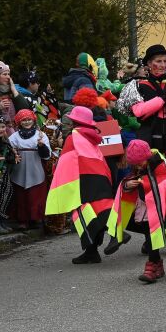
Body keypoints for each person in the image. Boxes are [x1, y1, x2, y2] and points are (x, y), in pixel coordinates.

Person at [45, 106, 115, 264]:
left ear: (74, 121)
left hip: (83, 178)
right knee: (98, 209)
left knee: (84, 213)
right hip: (99, 175)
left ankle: (110, 237)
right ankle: (94, 249)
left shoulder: (74, 136)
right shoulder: (91, 136)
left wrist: (59, 179)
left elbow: (66, 161)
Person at [107, 139, 166, 284]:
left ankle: (151, 266)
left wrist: (145, 183)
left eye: (139, 163)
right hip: (142, 207)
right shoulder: (140, 167)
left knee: (150, 236)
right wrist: (128, 184)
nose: (137, 166)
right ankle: (158, 264)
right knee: (145, 232)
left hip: (156, 208)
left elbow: (164, 182)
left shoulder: (159, 163)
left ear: (147, 157)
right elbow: (128, 179)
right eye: (134, 164)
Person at [116, 44, 166, 157]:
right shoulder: (139, 84)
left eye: (165, 61)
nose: (163, 65)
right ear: (149, 64)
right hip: (149, 144)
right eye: (158, 61)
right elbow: (139, 111)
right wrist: (164, 99)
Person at [7, 108, 51, 230]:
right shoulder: (14, 137)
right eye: (23, 120)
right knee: (20, 195)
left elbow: (47, 155)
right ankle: (22, 219)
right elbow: (9, 152)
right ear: (19, 122)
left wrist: (41, 147)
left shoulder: (41, 135)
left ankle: (36, 218)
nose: (27, 122)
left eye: (29, 119)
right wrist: (13, 154)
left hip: (36, 166)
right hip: (19, 167)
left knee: (37, 193)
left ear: (33, 120)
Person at [0, 120, 15, 233]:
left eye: (3, 126)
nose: (1, 129)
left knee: (7, 193)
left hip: (4, 173)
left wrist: (14, 158)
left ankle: (1, 220)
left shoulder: (6, 141)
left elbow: (10, 157)